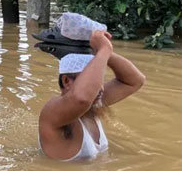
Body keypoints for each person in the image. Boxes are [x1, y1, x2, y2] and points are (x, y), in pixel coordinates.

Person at [39, 31, 146, 161]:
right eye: (92, 82)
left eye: (100, 80)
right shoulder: (53, 112)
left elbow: (134, 81)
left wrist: (103, 52)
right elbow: (81, 98)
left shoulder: (93, 102)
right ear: (67, 81)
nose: (100, 88)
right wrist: (104, 50)